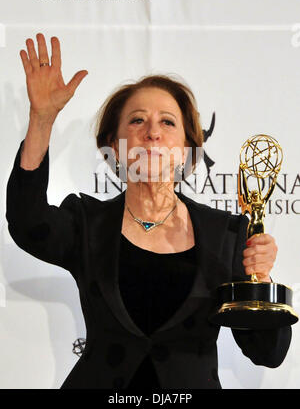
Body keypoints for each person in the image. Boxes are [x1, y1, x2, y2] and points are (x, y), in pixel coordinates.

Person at [6, 33, 292, 389]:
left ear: (187, 147)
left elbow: (268, 352)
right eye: (137, 121)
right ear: (114, 144)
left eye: (168, 122)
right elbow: (26, 221)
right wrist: (42, 119)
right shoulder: (87, 222)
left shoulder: (227, 234)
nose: (152, 133)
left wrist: (260, 279)